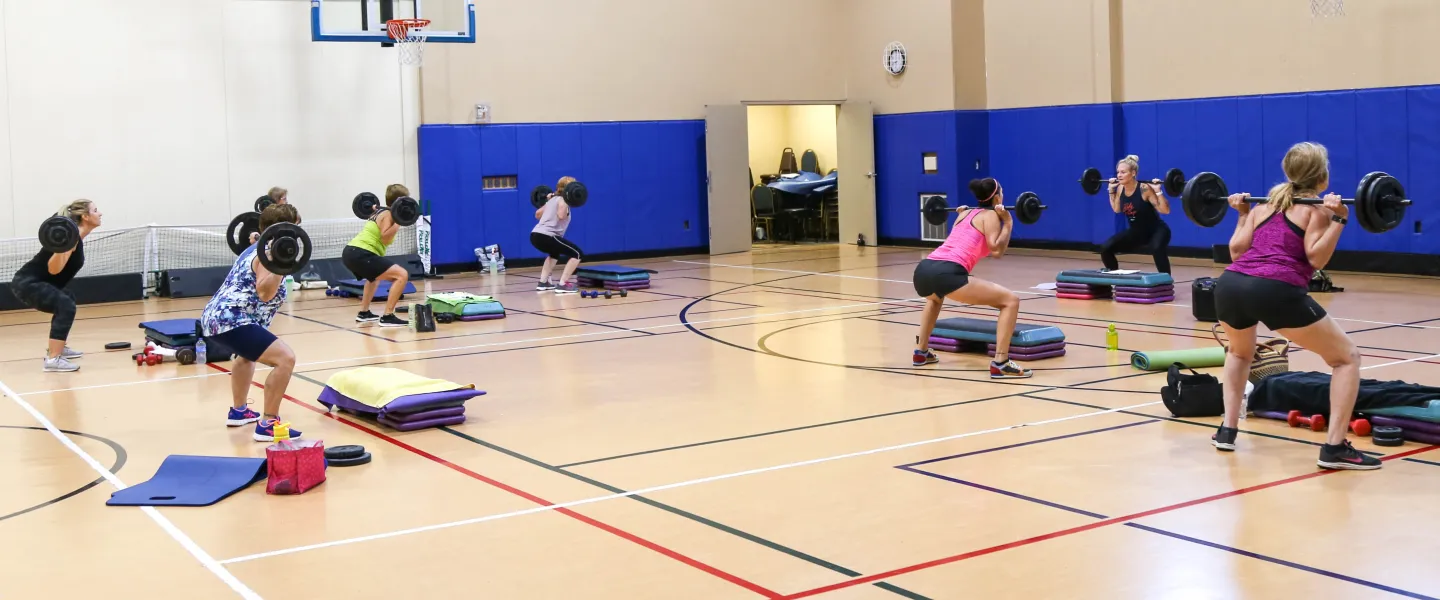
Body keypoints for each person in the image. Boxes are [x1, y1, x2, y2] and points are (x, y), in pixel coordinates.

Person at [1211, 141, 1378, 471]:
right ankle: (1334, 449)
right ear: (1322, 177)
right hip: (1274, 289)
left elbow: (1235, 252)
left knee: (1240, 353)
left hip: (1230, 285)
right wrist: (1339, 221)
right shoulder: (1313, 210)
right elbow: (1316, 258)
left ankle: (1227, 430)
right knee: (1347, 359)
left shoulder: (1262, 208)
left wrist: (1243, 215)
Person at [200, 203, 303, 442]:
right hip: (233, 318)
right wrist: (280, 264)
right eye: (295, 227)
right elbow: (265, 292)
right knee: (285, 359)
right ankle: (268, 423)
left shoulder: (256, 247)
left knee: (246, 356)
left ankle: (239, 411)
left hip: (216, 317)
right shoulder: (269, 254)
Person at [911, 178, 1031, 379]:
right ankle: (1001, 362)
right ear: (997, 197)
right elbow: (996, 250)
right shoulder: (991, 216)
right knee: (1011, 301)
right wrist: (1008, 223)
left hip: (923, 270)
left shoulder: (963, 214)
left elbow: (967, 235)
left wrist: (963, 212)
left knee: (934, 299)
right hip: (947, 272)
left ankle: (921, 353)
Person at [10, 200, 102, 372]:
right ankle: (53, 359)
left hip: (35, 282)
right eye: (96, 211)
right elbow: (53, 269)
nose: (100, 214)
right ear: (85, 216)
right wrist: (64, 247)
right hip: (28, 283)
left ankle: (58, 347)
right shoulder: (70, 239)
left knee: (68, 298)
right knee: (64, 305)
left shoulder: (73, 237)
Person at [341, 183, 411, 326]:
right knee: (401, 275)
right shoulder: (389, 215)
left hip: (351, 251)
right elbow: (384, 237)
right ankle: (388, 316)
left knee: (373, 278)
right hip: (361, 253)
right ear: (400, 201)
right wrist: (398, 222)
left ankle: (364, 313)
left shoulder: (378, 211)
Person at [1100, 155, 1172, 274]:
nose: (1119, 175)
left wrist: (1158, 191)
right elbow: (1117, 209)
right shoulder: (1120, 188)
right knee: (1106, 248)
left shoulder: (1144, 189)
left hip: (1157, 230)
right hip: (1137, 233)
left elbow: (1165, 211)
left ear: (1133, 173)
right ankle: (1114, 277)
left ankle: (1166, 282)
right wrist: (1111, 190)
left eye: (1123, 172)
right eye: (1118, 172)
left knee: (1157, 248)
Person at [530, 176, 585, 294]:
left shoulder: (552, 200)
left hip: (535, 235)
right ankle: (563, 284)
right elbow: (561, 216)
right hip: (547, 235)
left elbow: (537, 214)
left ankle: (543, 282)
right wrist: (565, 203)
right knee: (578, 254)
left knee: (554, 254)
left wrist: (549, 201)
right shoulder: (562, 201)